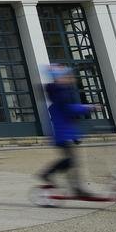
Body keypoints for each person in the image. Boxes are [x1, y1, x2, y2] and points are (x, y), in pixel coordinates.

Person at [38, 64, 95, 196]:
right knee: (71, 161)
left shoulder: (61, 92)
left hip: (64, 133)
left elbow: (68, 118)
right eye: (67, 76)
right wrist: (88, 107)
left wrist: (75, 136)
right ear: (59, 78)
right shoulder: (59, 93)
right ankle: (49, 175)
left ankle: (75, 187)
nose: (70, 78)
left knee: (71, 162)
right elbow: (68, 110)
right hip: (61, 135)